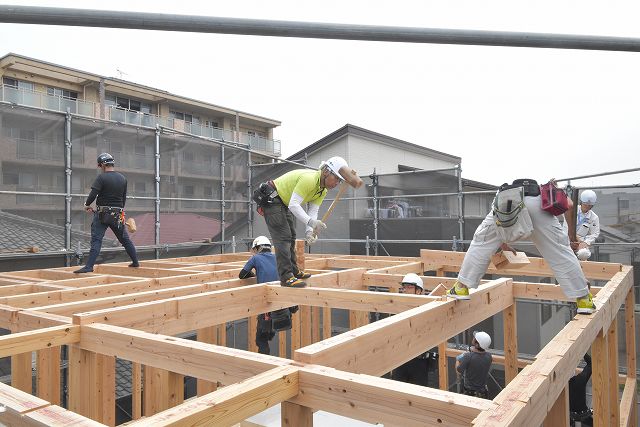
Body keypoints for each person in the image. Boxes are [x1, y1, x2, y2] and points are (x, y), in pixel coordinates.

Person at [448, 178, 596, 314]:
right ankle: (583, 300)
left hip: (506, 203)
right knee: (560, 252)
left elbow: (500, 226)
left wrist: (503, 242)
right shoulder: (546, 192)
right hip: (537, 206)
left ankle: (461, 287)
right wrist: (570, 237)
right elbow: (569, 205)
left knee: (481, 242)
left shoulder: (506, 193)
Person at [255, 156, 349, 288]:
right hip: (272, 199)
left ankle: (293, 271)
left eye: (340, 180)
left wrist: (309, 232)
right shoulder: (309, 180)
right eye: (337, 178)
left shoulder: (322, 190)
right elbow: (294, 205)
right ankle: (286, 277)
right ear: (326, 171)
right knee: (283, 237)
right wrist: (311, 223)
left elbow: (313, 210)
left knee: (291, 235)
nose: (337, 183)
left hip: (282, 202)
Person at [74, 153, 139, 273]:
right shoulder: (123, 179)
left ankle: (89, 266)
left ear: (103, 165)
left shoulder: (102, 178)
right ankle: (135, 262)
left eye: (100, 166)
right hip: (117, 214)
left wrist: (87, 205)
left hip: (102, 215)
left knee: (97, 239)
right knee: (125, 240)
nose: (100, 168)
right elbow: (123, 199)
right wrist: (119, 211)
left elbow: (93, 195)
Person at [239, 236, 298, 355]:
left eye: (255, 249)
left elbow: (242, 275)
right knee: (269, 332)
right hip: (282, 303)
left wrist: (253, 274)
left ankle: (265, 364)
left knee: (261, 340)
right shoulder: (279, 257)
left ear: (259, 248)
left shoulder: (255, 259)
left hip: (267, 305)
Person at [391, 273, 433, 386]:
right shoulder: (398, 308)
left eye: (409, 287)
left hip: (419, 361)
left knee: (418, 395)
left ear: (418, 291)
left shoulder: (427, 309)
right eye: (404, 287)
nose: (405, 290)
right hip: (400, 359)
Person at [455, 331, 493, 398]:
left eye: (474, 338)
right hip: (483, 393)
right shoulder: (489, 356)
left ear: (477, 344)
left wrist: (458, 359)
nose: (473, 338)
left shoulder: (468, 356)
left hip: (469, 394)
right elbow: (479, 357)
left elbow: (459, 371)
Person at [571, 190, 600, 261]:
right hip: (567, 238)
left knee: (583, 254)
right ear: (581, 202)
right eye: (585, 204)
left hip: (581, 241)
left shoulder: (594, 217)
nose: (587, 206)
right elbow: (567, 226)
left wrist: (585, 243)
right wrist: (575, 239)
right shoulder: (572, 209)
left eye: (589, 205)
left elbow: (595, 234)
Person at [569, 353, 593, 426]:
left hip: (570, 419)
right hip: (585, 418)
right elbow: (590, 363)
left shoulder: (560, 386)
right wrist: (582, 352)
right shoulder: (580, 380)